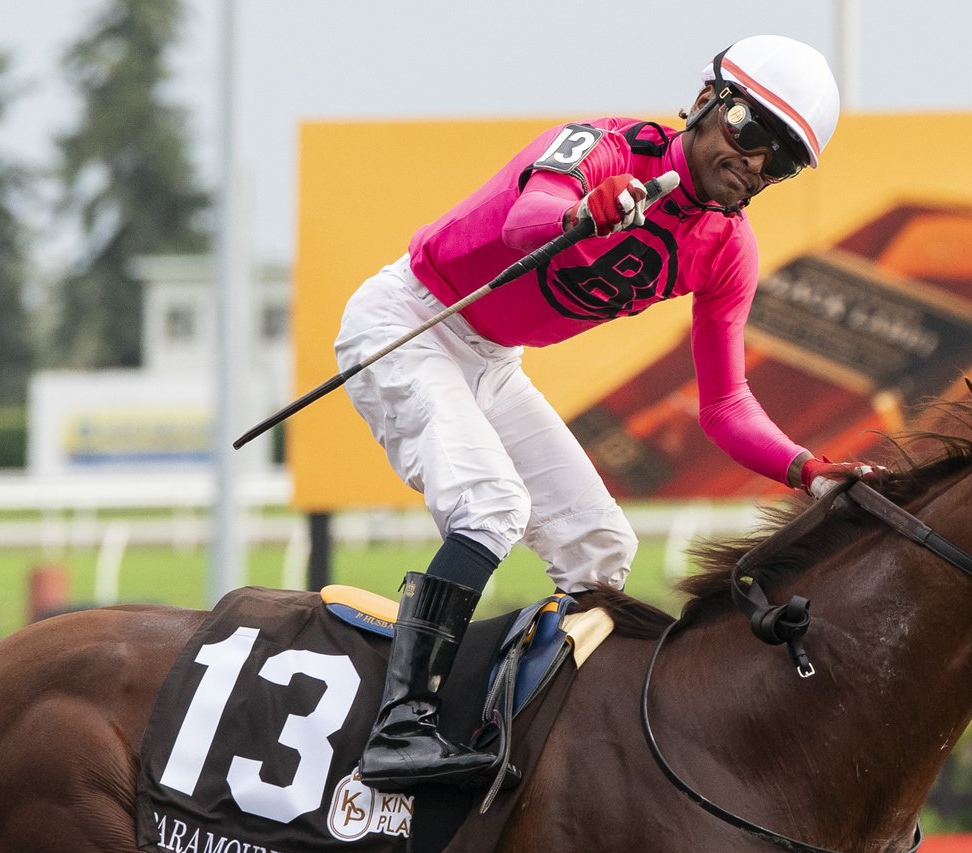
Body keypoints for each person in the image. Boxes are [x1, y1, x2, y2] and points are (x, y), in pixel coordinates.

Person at [335, 35, 869, 791]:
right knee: (490, 506)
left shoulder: (727, 249)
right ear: (711, 101)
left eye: (778, 158)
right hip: (411, 321)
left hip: (490, 358)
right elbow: (528, 220)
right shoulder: (607, 146)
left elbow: (724, 405)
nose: (753, 162)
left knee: (601, 547)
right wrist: (582, 210)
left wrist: (805, 467)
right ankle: (400, 730)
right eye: (750, 130)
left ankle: (537, 731)